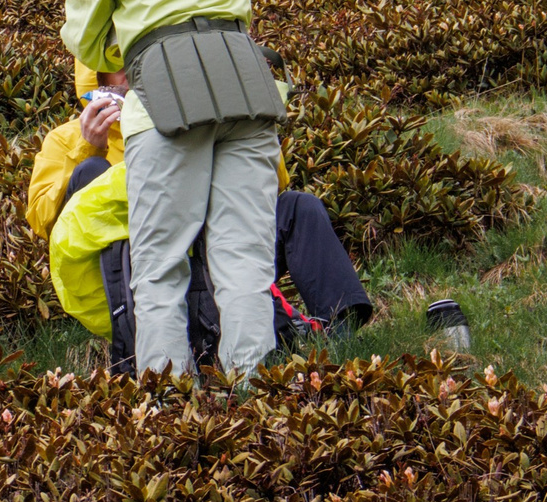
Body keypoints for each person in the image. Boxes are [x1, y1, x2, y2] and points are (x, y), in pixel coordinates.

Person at [60, 0, 281, 384]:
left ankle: (165, 407)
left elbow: (82, 38)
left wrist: (128, 39)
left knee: (159, 265)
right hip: (245, 84)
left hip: (160, 97)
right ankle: (254, 397)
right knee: (245, 260)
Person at [29, 58, 371, 374]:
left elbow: (270, 184)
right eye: (118, 71)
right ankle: (140, 342)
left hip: (216, 233)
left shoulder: (188, 115)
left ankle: (341, 332)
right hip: (138, 260)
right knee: (90, 171)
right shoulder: (66, 138)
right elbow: (44, 220)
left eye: (140, 67)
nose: (130, 79)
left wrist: (229, 122)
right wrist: (90, 147)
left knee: (299, 208)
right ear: (95, 77)